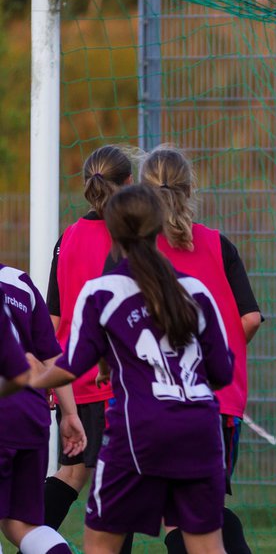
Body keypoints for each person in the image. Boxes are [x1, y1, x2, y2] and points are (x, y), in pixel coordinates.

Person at [31, 184, 235, 554]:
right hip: (201, 430)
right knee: (207, 548)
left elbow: (72, 365)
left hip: (140, 431)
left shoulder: (104, 292)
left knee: (101, 546)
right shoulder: (196, 291)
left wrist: (26, 380)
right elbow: (222, 372)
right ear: (159, 228)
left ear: (112, 230)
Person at [140, 146, 262, 554]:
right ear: (191, 189)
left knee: (180, 514)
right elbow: (250, 318)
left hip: (163, 401)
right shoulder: (218, 244)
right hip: (221, 402)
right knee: (200, 510)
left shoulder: (139, 254)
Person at [43, 145, 135, 546]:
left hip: (70, 379)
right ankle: (30, 534)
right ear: (129, 184)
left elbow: (53, 320)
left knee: (73, 474)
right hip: (112, 379)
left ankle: (29, 535)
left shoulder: (68, 239)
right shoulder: (132, 237)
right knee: (122, 479)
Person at [0, 262, 85, 554]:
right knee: (22, 524)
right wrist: (71, 414)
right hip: (31, 415)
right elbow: (52, 357)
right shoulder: (20, 282)